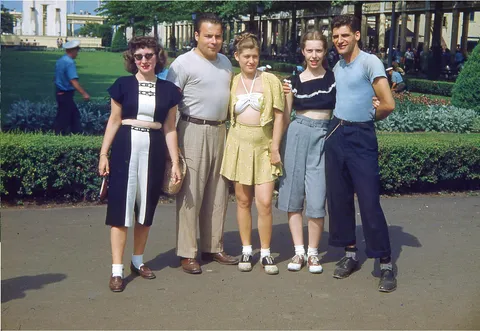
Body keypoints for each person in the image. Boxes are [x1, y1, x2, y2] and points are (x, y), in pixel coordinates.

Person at [98, 36, 182, 292]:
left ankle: (137, 260)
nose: (144, 60)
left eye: (148, 55)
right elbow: (114, 120)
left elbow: (169, 128)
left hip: (154, 149)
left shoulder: (169, 90)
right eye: (138, 56)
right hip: (125, 147)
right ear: (132, 59)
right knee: (120, 211)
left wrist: (175, 161)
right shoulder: (122, 85)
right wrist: (103, 154)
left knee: (146, 209)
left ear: (158, 56)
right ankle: (116, 270)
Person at [325, 14, 397, 292]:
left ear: (356, 35)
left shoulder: (370, 62)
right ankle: (350, 254)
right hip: (336, 133)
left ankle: (386, 263)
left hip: (361, 135)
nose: (339, 41)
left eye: (344, 35)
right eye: (335, 37)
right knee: (339, 199)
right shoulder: (339, 65)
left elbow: (388, 104)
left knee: (369, 201)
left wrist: (369, 118)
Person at [167, 13, 238, 274]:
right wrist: (173, 147)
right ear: (196, 36)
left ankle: (213, 246)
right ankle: (188, 252)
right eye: (208, 35)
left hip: (221, 131)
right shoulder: (182, 64)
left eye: (218, 36)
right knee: (191, 194)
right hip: (192, 129)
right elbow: (170, 107)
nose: (214, 40)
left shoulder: (226, 63)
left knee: (219, 192)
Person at [220, 33, 285, 275]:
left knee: (265, 202)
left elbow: (279, 115)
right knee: (243, 200)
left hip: (264, 145)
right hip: (239, 144)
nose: (251, 61)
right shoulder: (232, 82)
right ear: (237, 57)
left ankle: (266, 252)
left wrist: (275, 146)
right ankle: (247, 249)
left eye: (255, 56)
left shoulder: (269, 80)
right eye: (246, 56)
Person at [276, 31, 334, 274]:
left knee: (317, 197)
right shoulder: (293, 81)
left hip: (323, 136)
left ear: (325, 52)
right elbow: (285, 117)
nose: (314, 55)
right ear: (303, 51)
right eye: (309, 50)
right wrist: (275, 147)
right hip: (297, 134)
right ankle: (299, 251)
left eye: (318, 50)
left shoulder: (334, 78)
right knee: (293, 194)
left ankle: (313, 253)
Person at [53, 40, 90, 135]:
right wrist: (84, 93)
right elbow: (73, 81)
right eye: (77, 50)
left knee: (72, 115)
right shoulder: (69, 63)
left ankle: (75, 134)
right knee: (65, 118)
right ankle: (63, 136)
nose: (77, 53)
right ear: (72, 50)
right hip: (66, 93)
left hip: (59, 92)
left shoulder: (60, 61)